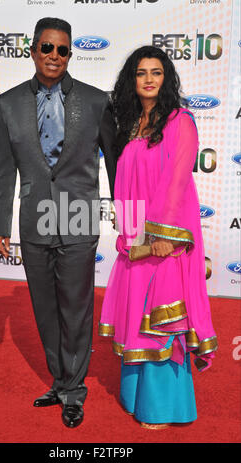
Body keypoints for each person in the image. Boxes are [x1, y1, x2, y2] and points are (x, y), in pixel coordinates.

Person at [0, 17, 116, 428]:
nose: (54, 56)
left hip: (78, 218)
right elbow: (4, 171)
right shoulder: (8, 103)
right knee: (45, 309)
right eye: (47, 48)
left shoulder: (97, 102)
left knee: (76, 310)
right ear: (33, 50)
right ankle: (60, 381)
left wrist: (131, 219)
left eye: (63, 50)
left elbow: (117, 166)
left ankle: (75, 391)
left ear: (70, 55)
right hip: (35, 220)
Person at [99, 46, 218, 429]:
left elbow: (177, 180)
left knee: (161, 321)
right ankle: (136, 396)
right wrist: (130, 236)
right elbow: (124, 184)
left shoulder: (180, 120)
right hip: (137, 239)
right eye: (140, 72)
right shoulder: (130, 125)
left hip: (168, 239)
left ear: (166, 78)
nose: (148, 79)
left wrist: (163, 237)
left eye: (156, 72)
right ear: (131, 81)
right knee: (137, 316)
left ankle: (165, 406)